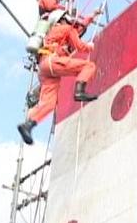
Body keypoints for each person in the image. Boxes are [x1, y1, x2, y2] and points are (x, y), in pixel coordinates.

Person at [17, 8, 102, 145]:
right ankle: (79, 91)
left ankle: (28, 125)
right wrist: (89, 47)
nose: (71, 19)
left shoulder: (54, 33)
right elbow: (80, 46)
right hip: (53, 62)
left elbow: (79, 29)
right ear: (62, 18)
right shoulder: (66, 28)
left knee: (49, 104)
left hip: (45, 68)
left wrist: (92, 16)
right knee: (89, 66)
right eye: (67, 17)